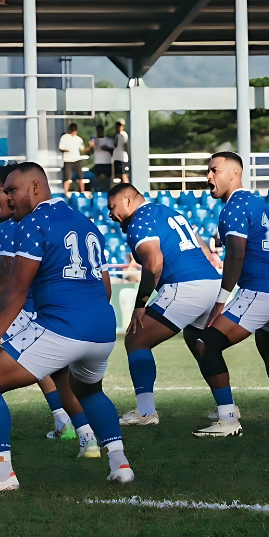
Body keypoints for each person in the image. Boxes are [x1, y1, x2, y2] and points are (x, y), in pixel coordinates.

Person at [0, 162, 132, 492]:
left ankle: (1, 475)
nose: (8, 197)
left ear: (35, 187)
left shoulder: (34, 222)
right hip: (103, 328)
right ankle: (120, 464)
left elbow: (17, 288)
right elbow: (105, 286)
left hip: (63, 325)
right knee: (90, 391)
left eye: (13, 191)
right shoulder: (86, 222)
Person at [190, 152, 269, 437]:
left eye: (214, 170)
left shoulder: (233, 206)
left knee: (205, 343)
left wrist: (221, 301)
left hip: (261, 291)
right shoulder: (263, 205)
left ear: (234, 174)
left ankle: (227, 419)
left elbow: (236, 255)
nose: (209, 176)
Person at [107, 183, 221, 427]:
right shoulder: (168, 211)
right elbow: (201, 246)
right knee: (200, 344)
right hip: (211, 282)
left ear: (128, 200)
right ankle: (228, 410)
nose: (109, 214)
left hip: (186, 286)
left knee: (136, 339)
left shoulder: (139, 220)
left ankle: (146, 412)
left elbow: (154, 264)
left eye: (112, 206)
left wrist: (141, 305)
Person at [58, 123, 87, 193]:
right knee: (67, 178)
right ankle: (66, 192)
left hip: (76, 159)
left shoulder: (78, 139)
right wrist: (67, 150)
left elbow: (83, 149)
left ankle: (82, 192)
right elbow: (61, 148)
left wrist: (90, 147)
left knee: (80, 177)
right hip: (68, 160)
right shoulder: (65, 137)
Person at [112, 120, 130, 185]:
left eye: (120, 126)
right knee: (119, 175)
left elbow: (125, 145)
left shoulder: (123, 134)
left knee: (123, 174)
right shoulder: (117, 135)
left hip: (123, 159)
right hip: (117, 158)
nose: (119, 127)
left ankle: (126, 188)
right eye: (118, 126)